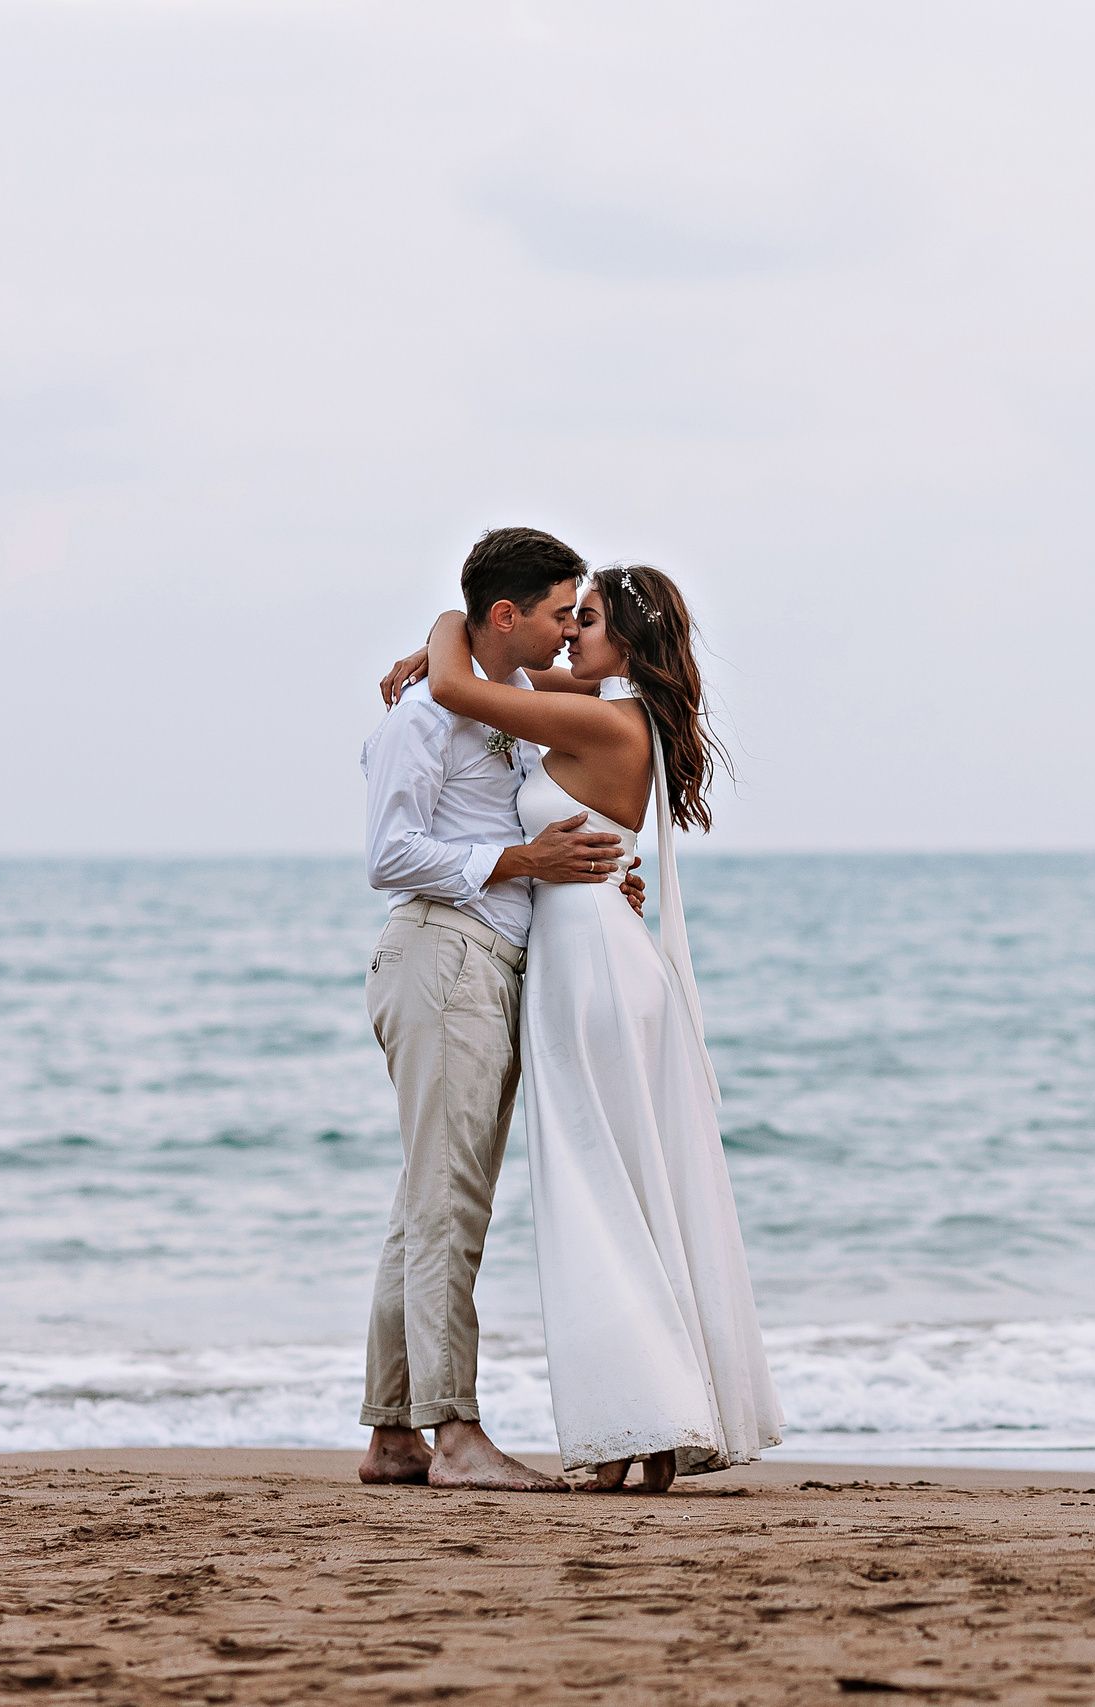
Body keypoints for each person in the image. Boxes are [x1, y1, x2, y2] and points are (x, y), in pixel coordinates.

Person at [408, 563, 783, 1492]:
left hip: (593, 972)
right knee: (625, 1187)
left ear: (628, 640)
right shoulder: (617, 708)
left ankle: (638, 1423)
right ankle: (650, 1427)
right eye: (568, 616)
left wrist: (449, 620)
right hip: (600, 955)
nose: (571, 631)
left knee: (596, 1191)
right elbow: (516, 679)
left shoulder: (604, 718)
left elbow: (462, 686)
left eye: (590, 620)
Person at [356, 526, 642, 1492]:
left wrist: (589, 881)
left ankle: (395, 1433)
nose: (572, 632)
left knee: (424, 1199)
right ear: (509, 614)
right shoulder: (420, 724)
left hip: (483, 960)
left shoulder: (505, 705)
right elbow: (388, 856)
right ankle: (456, 1434)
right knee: (450, 1204)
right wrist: (524, 862)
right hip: (443, 954)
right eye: (562, 613)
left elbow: (581, 731)